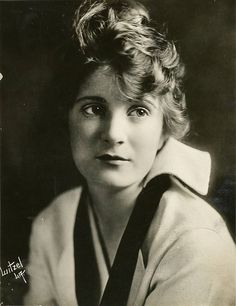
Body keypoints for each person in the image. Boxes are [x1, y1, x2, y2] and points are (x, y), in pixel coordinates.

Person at [24, 0, 235, 305]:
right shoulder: (55, 221)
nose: (112, 134)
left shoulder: (194, 240)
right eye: (94, 109)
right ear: (66, 117)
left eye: (138, 110)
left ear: (165, 126)